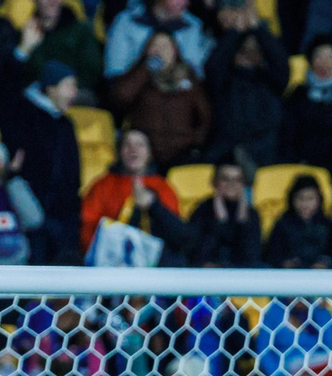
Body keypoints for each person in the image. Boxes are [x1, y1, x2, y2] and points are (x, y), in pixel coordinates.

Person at [0, 60, 81, 265]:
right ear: (51, 87)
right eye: (69, 85)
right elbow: (5, 93)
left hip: (63, 221)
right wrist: (20, 55)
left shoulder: (66, 124)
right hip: (28, 218)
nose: (74, 93)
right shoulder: (23, 114)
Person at [202, 0, 289, 169]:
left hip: (267, 154)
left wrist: (258, 29)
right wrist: (236, 31)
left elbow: (281, 64)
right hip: (229, 155)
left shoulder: (270, 80)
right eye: (243, 49)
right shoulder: (224, 80)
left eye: (256, 48)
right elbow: (214, 66)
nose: (249, 52)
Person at [105, 32, 209, 171]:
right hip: (146, 156)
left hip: (182, 154)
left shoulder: (189, 77)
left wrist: (195, 144)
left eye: (165, 46)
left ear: (174, 51)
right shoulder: (138, 75)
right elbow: (121, 97)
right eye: (155, 46)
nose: (160, 51)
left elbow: (204, 116)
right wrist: (146, 69)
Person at [79, 129, 183, 260]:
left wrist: (152, 204)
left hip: (154, 264)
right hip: (110, 263)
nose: (133, 149)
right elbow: (88, 229)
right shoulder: (102, 185)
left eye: (140, 145)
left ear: (149, 153)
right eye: (127, 144)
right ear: (119, 151)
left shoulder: (164, 187)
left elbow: (175, 234)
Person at [279, 37, 332, 183]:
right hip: (304, 165)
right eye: (319, 56)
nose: (324, 63)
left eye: (330, 57)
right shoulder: (298, 93)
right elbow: (288, 131)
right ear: (311, 61)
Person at [11, 0, 103, 102]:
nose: (52, 1)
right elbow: (16, 78)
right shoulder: (25, 33)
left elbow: (92, 71)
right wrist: (24, 48)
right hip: (33, 96)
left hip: (72, 94)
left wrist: (65, 86)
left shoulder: (81, 32)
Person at [104, 0, 214, 80]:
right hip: (134, 97)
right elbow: (114, 72)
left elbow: (195, 73)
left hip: (175, 96)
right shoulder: (126, 21)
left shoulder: (192, 25)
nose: (185, 3)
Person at [186, 160, 261, 268]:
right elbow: (198, 255)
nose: (231, 184)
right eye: (226, 179)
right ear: (215, 182)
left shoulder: (251, 213)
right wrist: (219, 222)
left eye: (237, 180)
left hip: (242, 275)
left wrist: (243, 222)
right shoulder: (202, 210)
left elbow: (252, 257)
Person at [264, 174, 332, 269]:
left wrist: (325, 264)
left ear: (319, 200)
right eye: (300, 198)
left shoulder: (328, 225)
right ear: (292, 199)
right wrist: (285, 263)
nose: (305, 204)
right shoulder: (282, 224)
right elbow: (271, 255)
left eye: (310, 198)